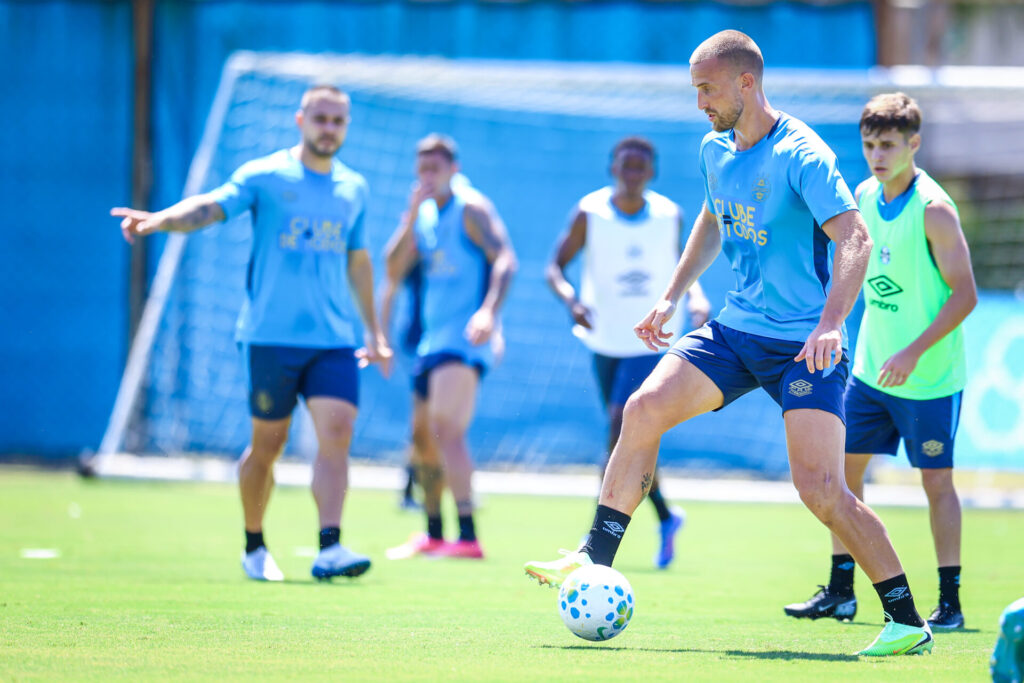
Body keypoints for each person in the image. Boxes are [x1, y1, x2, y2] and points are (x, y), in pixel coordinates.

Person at [524, 30, 934, 656]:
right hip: (735, 330)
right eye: (695, 90)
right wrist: (670, 294)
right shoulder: (715, 148)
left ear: (746, 83)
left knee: (822, 490)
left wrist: (830, 324)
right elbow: (714, 218)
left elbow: (856, 240)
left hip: (804, 343)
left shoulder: (803, 153)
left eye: (706, 89)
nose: (699, 103)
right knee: (642, 408)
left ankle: (907, 620)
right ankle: (592, 557)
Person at [111, 85, 392, 582]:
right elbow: (211, 208)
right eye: (321, 119)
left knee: (337, 433)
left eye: (338, 121)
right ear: (300, 119)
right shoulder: (264, 175)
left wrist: (374, 331)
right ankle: (254, 545)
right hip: (270, 337)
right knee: (268, 445)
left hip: (332, 340)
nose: (329, 129)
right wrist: (157, 221)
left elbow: (359, 260)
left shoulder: (355, 189)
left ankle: (330, 547)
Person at [784, 92, 977, 630]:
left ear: (913, 143)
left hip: (930, 377)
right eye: (869, 144)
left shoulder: (934, 210)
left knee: (936, 483)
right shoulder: (862, 197)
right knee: (839, 477)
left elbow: (966, 295)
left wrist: (914, 353)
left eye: (888, 144)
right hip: (869, 371)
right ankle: (842, 593)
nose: (877, 154)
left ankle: (951, 603)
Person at [546, 136, 711, 569]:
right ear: (612, 168)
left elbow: (684, 264)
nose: (632, 173)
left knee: (621, 423)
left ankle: (595, 535)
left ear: (651, 172)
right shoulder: (590, 211)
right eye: (625, 165)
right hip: (604, 339)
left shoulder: (668, 214)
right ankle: (666, 515)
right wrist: (571, 301)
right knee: (630, 440)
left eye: (640, 166)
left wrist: (696, 297)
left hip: (651, 340)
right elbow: (554, 267)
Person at [383, 134, 517, 559]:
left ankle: (468, 537)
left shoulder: (471, 208)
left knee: (446, 429)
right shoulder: (421, 215)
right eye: (422, 166)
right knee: (422, 437)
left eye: (436, 166)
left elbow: (505, 259)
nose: (428, 174)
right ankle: (434, 533)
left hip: (464, 340)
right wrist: (407, 217)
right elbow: (391, 268)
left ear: (453, 169)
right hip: (430, 341)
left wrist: (489, 313)